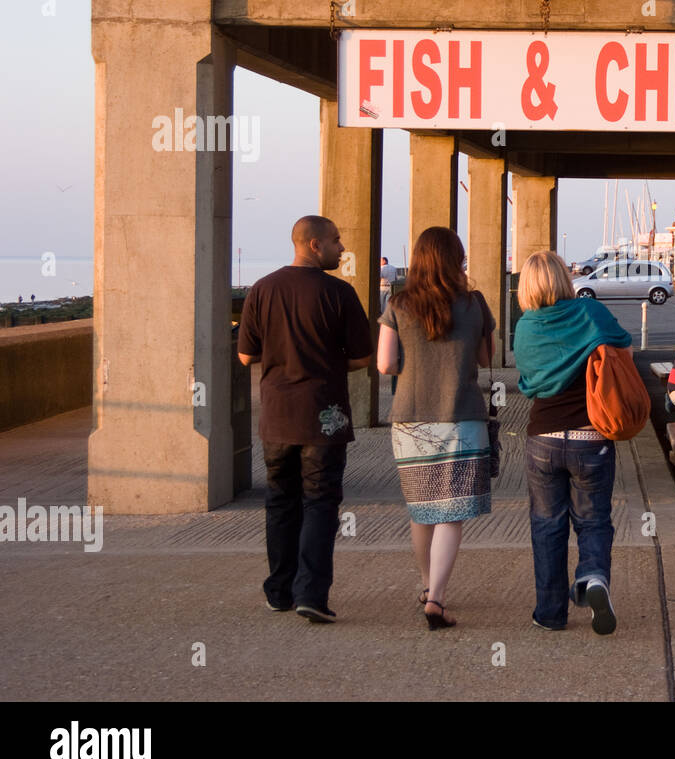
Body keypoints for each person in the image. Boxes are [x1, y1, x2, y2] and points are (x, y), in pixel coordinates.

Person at [237, 216, 372, 623]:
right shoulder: (339, 293)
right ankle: (311, 593)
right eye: (335, 240)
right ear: (314, 245)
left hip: (277, 416)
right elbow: (364, 358)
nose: (342, 247)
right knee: (320, 502)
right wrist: (327, 364)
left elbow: (246, 355)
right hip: (324, 416)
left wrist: (281, 356)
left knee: (280, 501)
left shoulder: (262, 289)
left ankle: (278, 590)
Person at [375, 227, 493, 630]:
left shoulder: (398, 303)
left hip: (409, 419)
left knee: (422, 510)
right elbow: (484, 356)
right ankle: (437, 599)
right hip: (461, 416)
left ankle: (428, 588)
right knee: (452, 511)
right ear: (456, 258)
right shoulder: (474, 303)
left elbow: (385, 365)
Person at [513, 251, 631, 634]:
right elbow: (625, 351)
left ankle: (549, 613)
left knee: (547, 524)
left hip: (543, 438)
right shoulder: (589, 312)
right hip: (592, 436)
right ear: (564, 279)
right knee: (593, 519)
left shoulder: (526, 327)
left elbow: (529, 382)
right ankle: (592, 578)